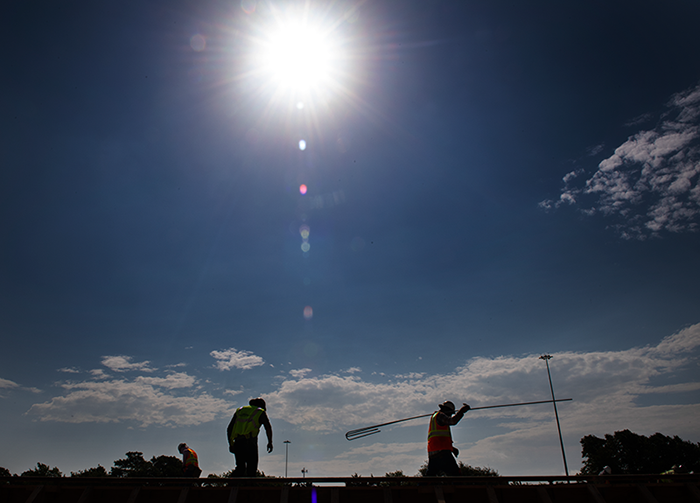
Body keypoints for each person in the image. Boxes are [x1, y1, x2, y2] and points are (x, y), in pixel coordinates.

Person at [227, 397, 273, 477]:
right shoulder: (260, 411)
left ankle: (230, 487)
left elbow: (229, 429)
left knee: (240, 468)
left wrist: (231, 444)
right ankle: (249, 488)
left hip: (238, 443)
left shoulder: (240, 410)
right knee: (251, 470)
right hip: (250, 443)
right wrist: (270, 442)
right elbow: (268, 428)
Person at [426, 400, 470, 476]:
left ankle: (419, 487)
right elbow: (453, 421)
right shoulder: (440, 415)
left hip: (433, 453)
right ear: (446, 410)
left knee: (430, 477)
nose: (450, 415)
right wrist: (462, 411)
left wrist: (452, 448)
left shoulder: (435, 417)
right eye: (450, 413)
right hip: (442, 453)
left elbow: (439, 439)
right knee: (456, 475)